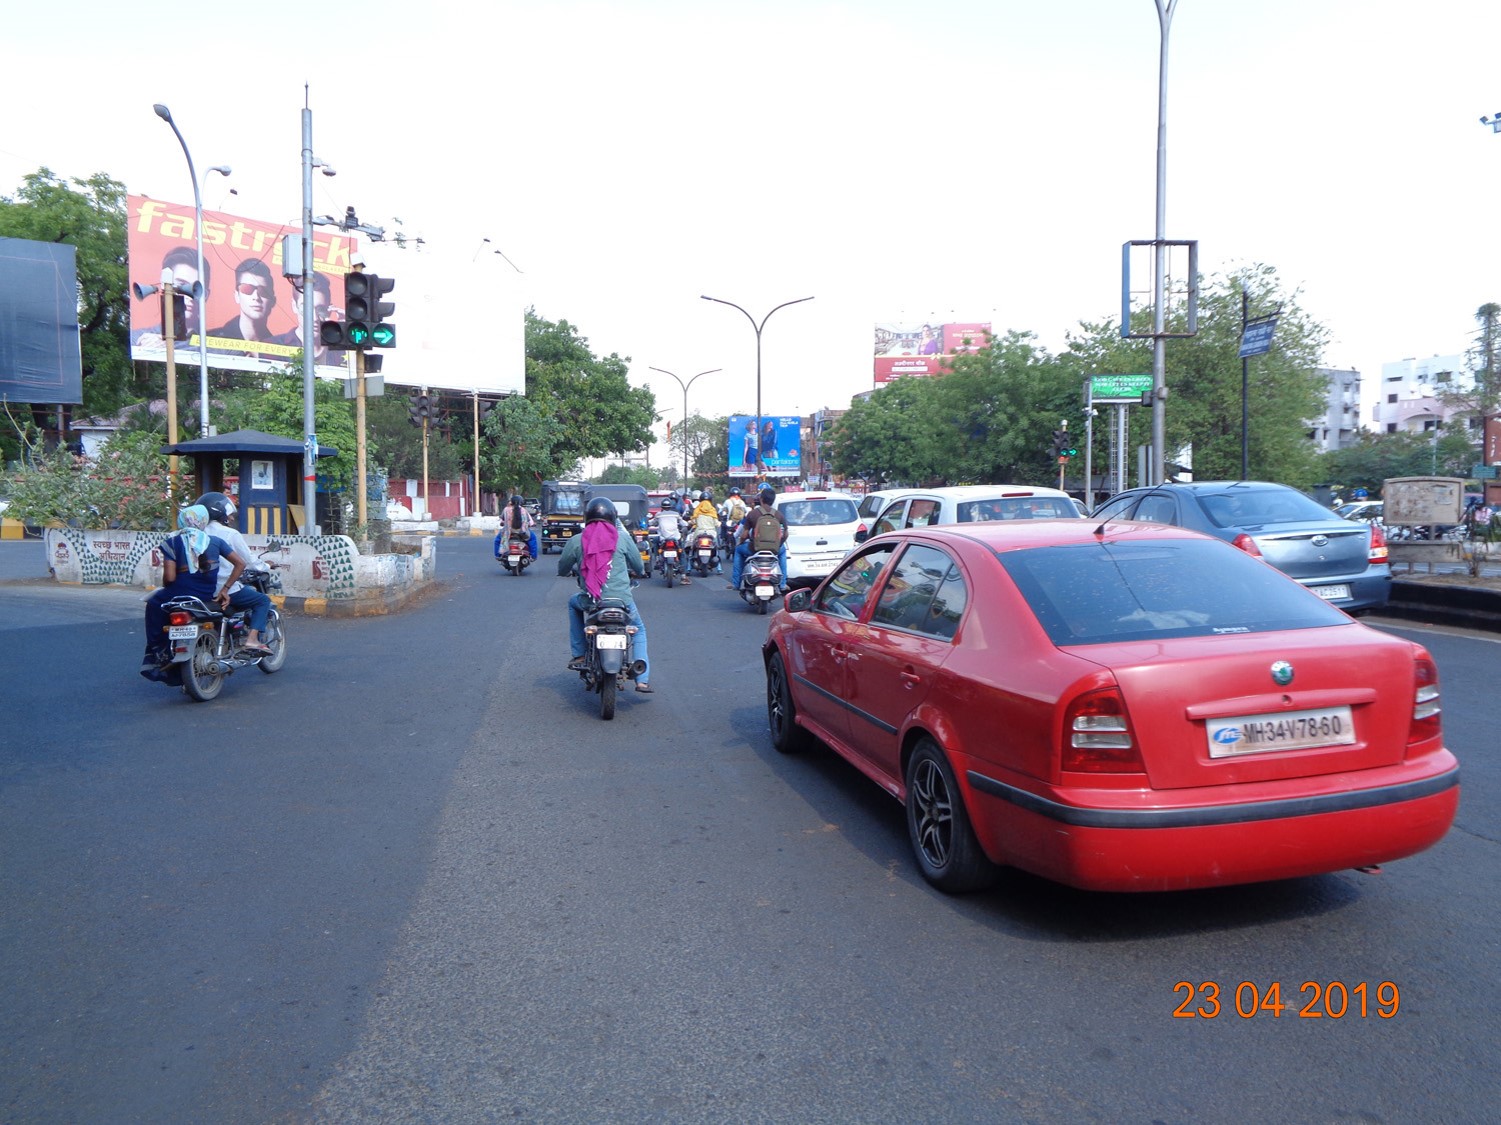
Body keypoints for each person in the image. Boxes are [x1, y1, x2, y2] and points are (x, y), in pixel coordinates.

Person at [140, 504, 247, 683]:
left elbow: (170, 578)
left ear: (181, 521)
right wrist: (225, 588)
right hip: (204, 597)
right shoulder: (215, 541)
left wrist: (167, 584)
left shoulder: (172, 542)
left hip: (176, 595)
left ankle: (156, 651)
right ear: (203, 521)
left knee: (153, 605)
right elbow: (241, 564)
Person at [558, 497, 652, 693]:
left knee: (572, 603)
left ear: (587, 518)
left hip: (593, 602)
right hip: (622, 602)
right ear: (612, 517)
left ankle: (580, 654)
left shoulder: (577, 541)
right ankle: (642, 679)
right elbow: (639, 567)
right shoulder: (623, 538)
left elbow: (563, 567)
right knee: (639, 630)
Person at [196, 490, 274, 655]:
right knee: (262, 601)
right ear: (219, 512)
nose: (231, 518)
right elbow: (249, 561)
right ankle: (252, 640)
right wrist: (266, 566)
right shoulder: (229, 534)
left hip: (197, 590)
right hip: (222, 588)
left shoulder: (193, 532)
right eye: (228, 515)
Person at [130, 246, 211, 348]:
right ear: (164, 285)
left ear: (206, 296)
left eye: (197, 289)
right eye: (182, 284)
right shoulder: (138, 339)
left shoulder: (219, 347)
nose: (189, 296)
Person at [208, 258, 285, 355]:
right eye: (247, 289)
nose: (256, 297)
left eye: (264, 291)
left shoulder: (279, 352)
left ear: (273, 301)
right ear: (237, 296)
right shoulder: (212, 339)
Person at [731, 485, 789, 591]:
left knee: (738, 551)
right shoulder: (779, 515)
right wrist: (779, 544)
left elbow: (744, 535)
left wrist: (740, 542)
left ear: (761, 499)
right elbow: (785, 534)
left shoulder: (752, 514)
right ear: (773, 500)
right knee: (783, 551)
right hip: (774, 550)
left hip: (754, 548)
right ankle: (783, 584)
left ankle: (736, 584)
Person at [653, 493, 689, 583]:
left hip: (663, 539)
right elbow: (684, 523)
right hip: (675, 538)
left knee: (654, 541)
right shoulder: (676, 514)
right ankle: (684, 576)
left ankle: (657, 558)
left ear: (662, 507)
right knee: (682, 554)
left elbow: (652, 522)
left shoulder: (658, 515)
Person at [687, 487, 722, 574]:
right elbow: (717, 523)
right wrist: (720, 523)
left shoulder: (697, 510)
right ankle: (719, 568)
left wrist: (690, 522)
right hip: (711, 533)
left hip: (699, 532)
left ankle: (688, 568)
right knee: (716, 549)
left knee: (692, 549)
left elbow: (693, 521)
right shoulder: (712, 510)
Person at [498, 493, 538, 558]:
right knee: (533, 540)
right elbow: (530, 522)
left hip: (508, 533)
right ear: (521, 502)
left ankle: (498, 555)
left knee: (497, 540)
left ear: (511, 502)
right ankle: (533, 556)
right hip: (523, 533)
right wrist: (531, 524)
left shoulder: (506, 509)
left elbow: (502, 520)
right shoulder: (524, 510)